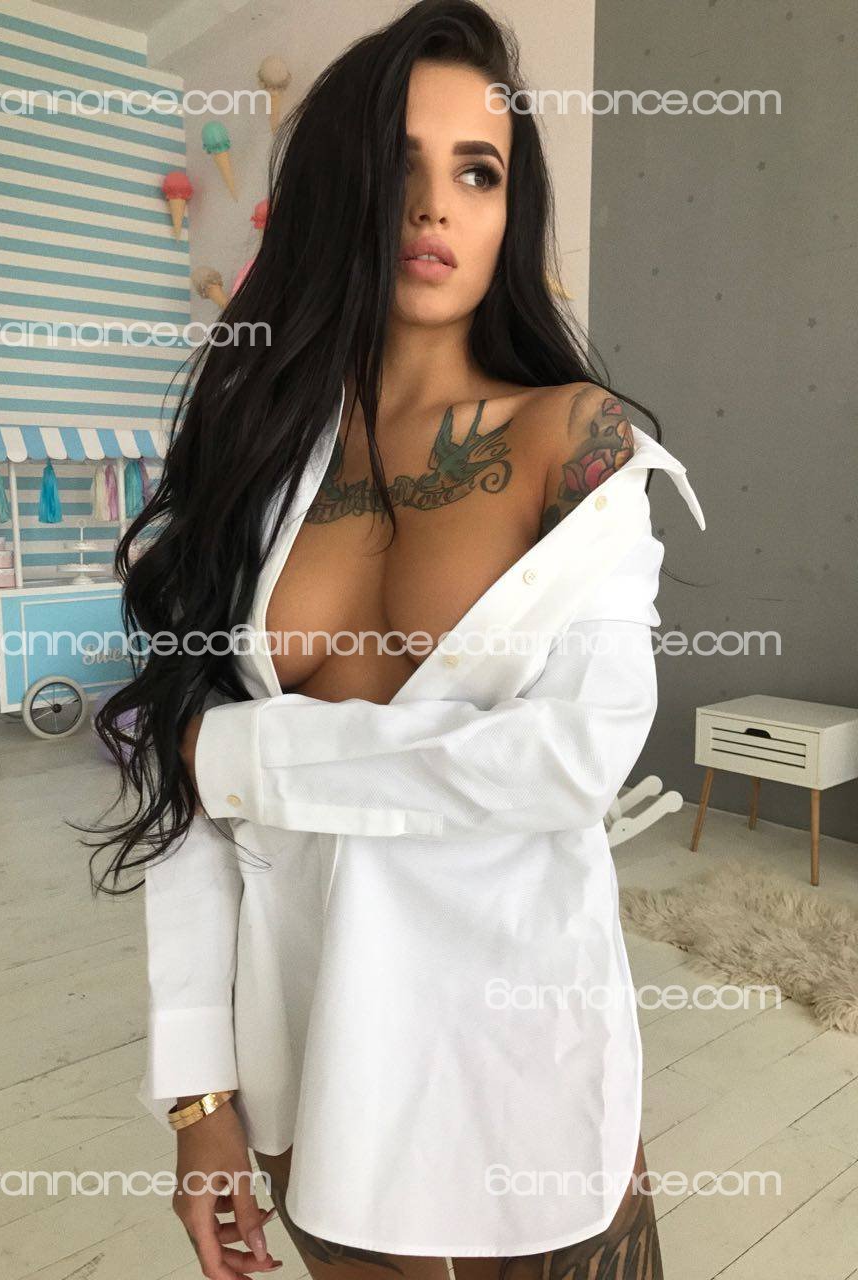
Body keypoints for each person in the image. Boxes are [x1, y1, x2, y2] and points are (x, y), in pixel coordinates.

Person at [88, 2, 705, 1276]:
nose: (434, 206)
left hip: (523, 1060)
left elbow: (573, 756)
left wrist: (248, 758)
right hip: (312, 1061)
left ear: (511, 209)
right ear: (338, 191)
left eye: (477, 172)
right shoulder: (254, 460)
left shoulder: (575, 437)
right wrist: (199, 1096)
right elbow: (191, 819)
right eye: (398, 166)